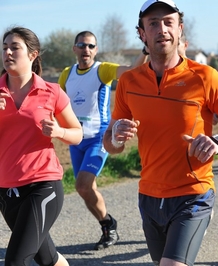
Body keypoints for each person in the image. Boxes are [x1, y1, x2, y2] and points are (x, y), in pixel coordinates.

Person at [102, 1, 218, 265]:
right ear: (142, 33)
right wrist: (116, 135)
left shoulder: (205, 77)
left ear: (180, 29)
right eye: (153, 23)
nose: (162, 29)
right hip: (149, 196)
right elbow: (111, 145)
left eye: (168, 22)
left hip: (193, 194)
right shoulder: (129, 81)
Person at [0, 26, 82, 266]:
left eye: (15, 47)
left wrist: (59, 132)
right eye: (4, 48)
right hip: (6, 190)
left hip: (42, 185)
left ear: (33, 55)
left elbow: (77, 134)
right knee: (49, 259)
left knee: (16, 260)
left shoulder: (51, 91)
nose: (8, 52)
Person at [58, 31, 142, 250]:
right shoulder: (67, 74)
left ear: (96, 49)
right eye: (82, 45)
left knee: (82, 185)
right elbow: (55, 102)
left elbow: (131, 70)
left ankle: (108, 224)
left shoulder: (102, 70)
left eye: (91, 46)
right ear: (74, 49)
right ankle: (108, 225)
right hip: (76, 140)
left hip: (98, 138)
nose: (86, 50)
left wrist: (145, 50)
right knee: (86, 190)